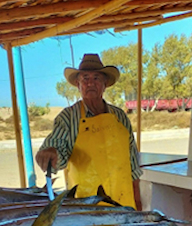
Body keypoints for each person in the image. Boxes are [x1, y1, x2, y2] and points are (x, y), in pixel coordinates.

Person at [36, 53, 142, 209]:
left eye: (96, 78)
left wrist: (138, 201)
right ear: (78, 85)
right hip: (86, 209)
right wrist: (49, 154)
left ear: (105, 84)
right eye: (85, 78)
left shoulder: (120, 116)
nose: (90, 83)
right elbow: (58, 153)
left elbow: (132, 164)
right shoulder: (68, 117)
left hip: (123, 204)